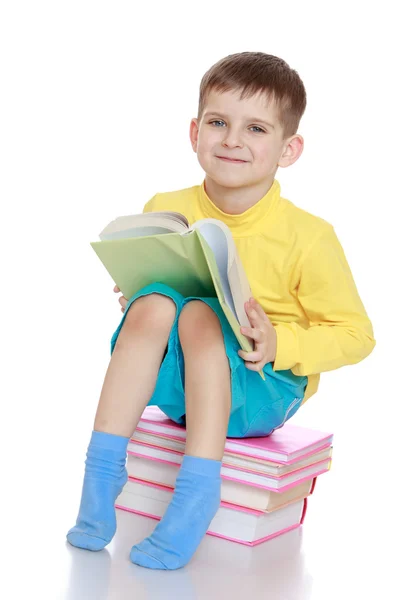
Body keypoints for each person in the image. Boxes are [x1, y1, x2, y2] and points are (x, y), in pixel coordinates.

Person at [66, 52, 376, 569]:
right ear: (194, 132)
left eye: (255, 128)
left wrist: (282, 342)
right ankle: (101, 471)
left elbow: (356, 334)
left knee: (200, 314)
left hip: (258, 388)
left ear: (288, 149)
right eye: (218, 122)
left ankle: (197, 489)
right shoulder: (167, 203)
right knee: (159, 303)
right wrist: (139, 293)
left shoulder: (310, 236)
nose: (232, 139)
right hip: (179, 387)